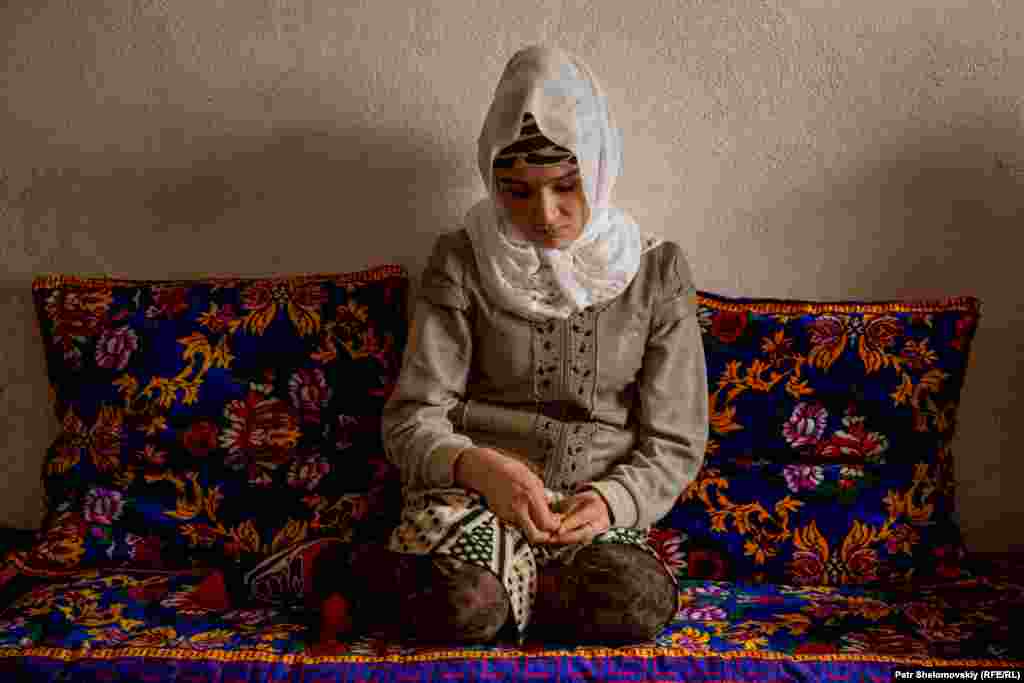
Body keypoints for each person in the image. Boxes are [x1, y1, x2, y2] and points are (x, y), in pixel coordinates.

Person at [377, 45, 710, 646]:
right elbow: (411, 418)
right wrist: (479, 468)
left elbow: (677, 437)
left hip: (592, 512)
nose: (546, 215)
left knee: (636, 602)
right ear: (491, 178)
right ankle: (488, 591)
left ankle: (508, 594)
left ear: (600, 166)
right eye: (518, 192)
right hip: (473, 500)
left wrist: (612, 502)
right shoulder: (461, 261)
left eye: (565, 186)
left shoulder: (656, 272)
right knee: (464, 605)